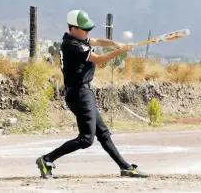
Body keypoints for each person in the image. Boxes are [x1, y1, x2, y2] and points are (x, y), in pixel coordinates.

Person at [36, 10, 148, 178]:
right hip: (78, 93)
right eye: (84, 29)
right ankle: (47, 159)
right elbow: (99, 59)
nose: (88, 32)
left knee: (103, 133)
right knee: (86, 139)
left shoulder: (78, 39)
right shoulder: (72, 45)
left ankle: (125, 167)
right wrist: (122, 51)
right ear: (73, 29)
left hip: (83, 92)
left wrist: (115, 43)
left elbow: (98, 41)